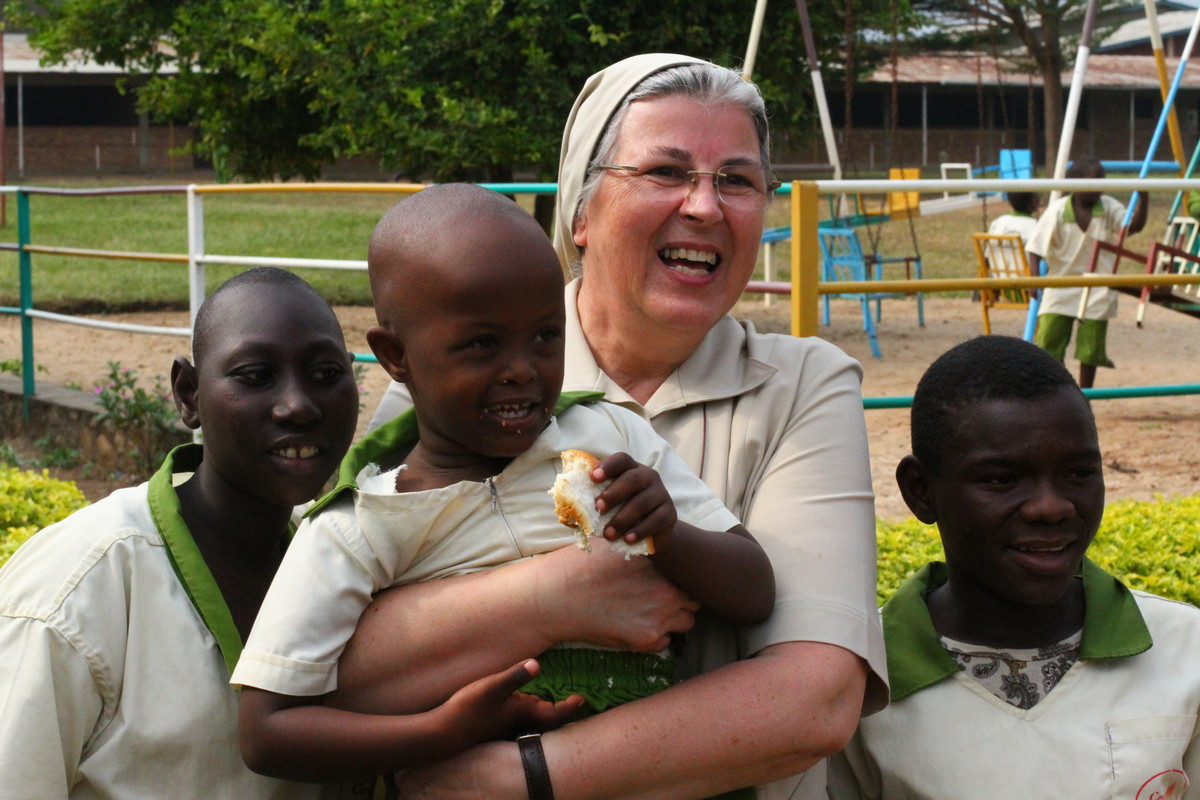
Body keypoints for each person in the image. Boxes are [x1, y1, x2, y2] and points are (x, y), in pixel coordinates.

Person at [354, 54, 887, 800]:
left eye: (737, 180)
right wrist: (556, 596)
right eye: (666, 171)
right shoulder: (453, 382)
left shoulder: (803, 386)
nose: (705, 206)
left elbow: (814, 699)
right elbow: (330, 665)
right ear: (580, 212)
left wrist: (519, 779)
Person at [232, 184, 774, 785]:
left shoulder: (608, 436)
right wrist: (442, 730)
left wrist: (668, 534)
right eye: (482, 344)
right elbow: (266, 731)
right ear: (395, 356)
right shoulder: (358, 529)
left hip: (650, 770)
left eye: (546, 336)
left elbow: (754, 590)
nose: (522, 369)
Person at [0, 267, 361, 799]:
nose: (298, 406)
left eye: (326, 373)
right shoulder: (77, 591)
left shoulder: (343, 564)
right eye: (256, 376)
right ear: (188, 393)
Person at [826, 335, 1200, 800]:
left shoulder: (1184, 650)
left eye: (1079, 473)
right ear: (920, 491)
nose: (1051, 507)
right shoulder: (856, 680)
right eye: (1002, 479)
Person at [1026, 157, 1149, 388]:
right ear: (1075, 183)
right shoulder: (1058, 210)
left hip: (1098, 287)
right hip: (1061, 285)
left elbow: (1133, 227)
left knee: (1090, 350)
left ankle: (1085, 394)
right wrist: (1034, 279)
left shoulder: (1109, 207)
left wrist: (1144, 197)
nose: (1098, 188)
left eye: (1102, 181)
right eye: (1093, 182)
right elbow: (1035, 248)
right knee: (1048, 343)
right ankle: (1061, 389)